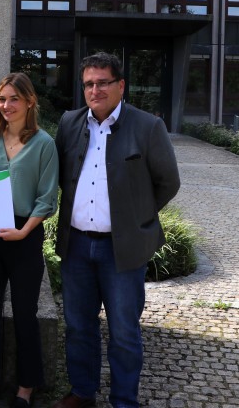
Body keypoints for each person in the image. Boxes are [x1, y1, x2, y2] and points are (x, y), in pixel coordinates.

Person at [52, 52, 180, 408]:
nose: (95, 90)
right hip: (76, 245)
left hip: (121, 250)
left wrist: (136, 219)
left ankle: (124, 400)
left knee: (124, 331)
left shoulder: (147, 126)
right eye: (89, 84)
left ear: (120, 86)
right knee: (79, 326)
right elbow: (59, 174)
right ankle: (82, 392)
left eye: (103, 83)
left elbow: (168, 181)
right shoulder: (69, 123)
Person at [0, 73, 59, 408]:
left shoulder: (45, 143)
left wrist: (23, 231)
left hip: (25, 235)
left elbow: (48, 199)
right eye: (1, 99)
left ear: (30, 101)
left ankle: (26, 387)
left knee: (24, 314)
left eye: (13, 99)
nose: (6, 106)